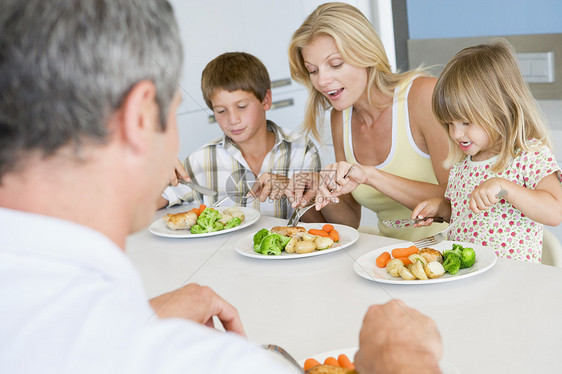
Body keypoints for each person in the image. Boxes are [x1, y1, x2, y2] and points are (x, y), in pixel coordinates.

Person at [0, 0, 443, 373]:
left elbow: (449, 200)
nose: (323, 80)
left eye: (334, 64)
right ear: (139, 119)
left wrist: (144, 316)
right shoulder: (210, 358)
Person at [286, 2, 450, 241]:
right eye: (312, 70)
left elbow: (457, 199)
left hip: (454, 249)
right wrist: (319, 188)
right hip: (392, 258)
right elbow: (349, 220)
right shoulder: (340, 116)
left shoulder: (422, 96)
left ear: (366, 54)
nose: (322, 81)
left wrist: (370, 176)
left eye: (335, 64)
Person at [411, 39, 562, 263]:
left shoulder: (529, 155)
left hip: (513, 282)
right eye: (449, 123)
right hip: (470, 278)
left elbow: (554, 212)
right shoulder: (462, 165)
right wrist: (441, 208)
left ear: (501, 111)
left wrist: (505, 188)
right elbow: (464, 214)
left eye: (465, 123)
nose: (455, 134)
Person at [159, 52, 321, 220]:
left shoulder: (301, 149)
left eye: (242, 106)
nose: (233, 120)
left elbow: (320, 224)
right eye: (221, 111)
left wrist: (291, 189)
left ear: (266, 100)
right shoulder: (201, 161)